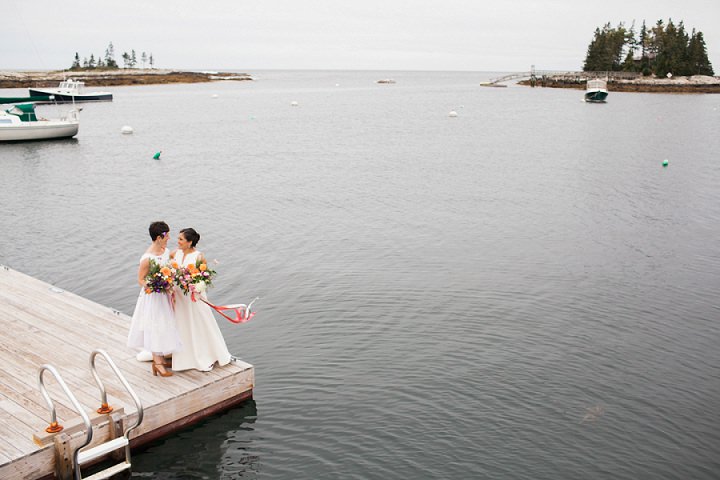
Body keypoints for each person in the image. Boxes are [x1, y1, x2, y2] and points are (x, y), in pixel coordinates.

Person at [170, 227, 232, 372]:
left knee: (200, 322)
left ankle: (207, 355)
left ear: (190, 242)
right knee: (182, 324)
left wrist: (196, 286)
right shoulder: (174, 254)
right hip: (179, 296)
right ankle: (185, 357)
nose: (177, 241)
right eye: (178, 238)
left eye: (181, 239)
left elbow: (205, 277)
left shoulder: (199, 257)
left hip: (194, 296)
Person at [127, 221, 182, 377]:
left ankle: (162, 357)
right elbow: (141, 280)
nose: (169, 238)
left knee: (166, 324)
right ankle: (157, 363)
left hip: (165, 296)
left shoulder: (166, 251)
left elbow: (171, 263)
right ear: (159, 237)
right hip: (153, 297)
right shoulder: (147, 258)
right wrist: (157, 286)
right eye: (167, 235)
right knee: (155, 326)